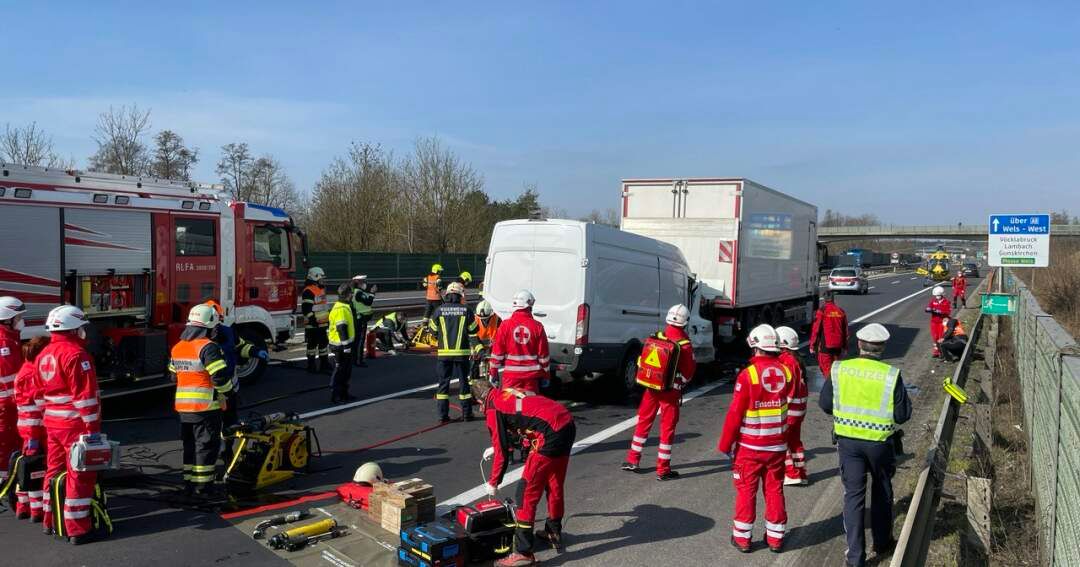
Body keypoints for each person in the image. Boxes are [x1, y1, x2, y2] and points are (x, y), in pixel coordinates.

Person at [819, 323, 912, 567]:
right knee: (882, 492)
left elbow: (826, 404)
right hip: (880, 445)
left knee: (853, 497)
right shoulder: (891, 375)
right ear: (881, 347)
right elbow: (903, 415)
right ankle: (882, 542)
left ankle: (855, 558)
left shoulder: (839, 369)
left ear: (859, 344)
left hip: (848, 444)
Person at [474, 379, 576, 567]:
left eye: (479, 406)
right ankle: (553, 531)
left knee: (525, 493)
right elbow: (526, 417)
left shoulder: (492, 408)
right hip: (566, 423)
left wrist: (494, 481)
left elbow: (502, 452)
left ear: (481, 402)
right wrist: (500, 446)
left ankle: (523, 553)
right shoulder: (508, 392)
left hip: (549, 435)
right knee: (554, 482)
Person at [718, 324, 793, 554]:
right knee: (774, 490)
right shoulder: (786, 372)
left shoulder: (748, 375)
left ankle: (742, 539)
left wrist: (725, 444)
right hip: (777, 446)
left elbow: (735, 414)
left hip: (750, 448)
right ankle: (776, 538)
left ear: (755, 347)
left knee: (746, 491)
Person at [37, 305, 102, 543]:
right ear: (74, 329)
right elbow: (85, 398)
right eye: (82, 327)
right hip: (74, 425)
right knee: (80, 475)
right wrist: (93, 430)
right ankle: (77, 528)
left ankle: (49, 519)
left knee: (53, 471)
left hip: (52, 423)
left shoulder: (44, 353)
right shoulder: (76, 355)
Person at [621, 304, 696, 481]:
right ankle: (663, 469)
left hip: (651, 387)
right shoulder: (684, 345)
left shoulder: (657, 337)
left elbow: (643, 361)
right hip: (670, 393)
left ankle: (633, 459)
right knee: (667, 429)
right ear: (685, 322)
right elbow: (688, 373)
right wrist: (679, 385)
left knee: (643, 421)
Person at [170, 304, 233, 498]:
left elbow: (174, 376)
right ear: (208, 326)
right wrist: (227, 393)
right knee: (206, 447)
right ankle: (204, 488)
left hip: (183, 408)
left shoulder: (178, 347)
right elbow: (220, 377)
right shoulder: (208, 347)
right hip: (205, 407)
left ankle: (189, 483)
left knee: (190, 447)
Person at [428, 282, 478, 422]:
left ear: (447, 295)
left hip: (444, 354)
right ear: (460, 295)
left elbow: (432, 330)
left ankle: (442, 416)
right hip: (462, 354)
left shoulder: (438, 310)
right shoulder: (466, 310)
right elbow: (473, 331)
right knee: (464, 384)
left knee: (443, 385)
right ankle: (467, 414)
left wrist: (442, 338)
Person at [13, 336, 48, 522]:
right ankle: (36, 511)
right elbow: (41, 403)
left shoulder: (23, 370)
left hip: (26, 426)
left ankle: (23, 506)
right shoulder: (33, 373)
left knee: (26, 467)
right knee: (36, 470)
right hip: (35, 427)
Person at [488, 290, 549, 393]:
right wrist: (546, 375)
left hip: (511, 377)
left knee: (510, 405)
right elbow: (543, 356)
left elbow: (497, 353)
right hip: (531, 378)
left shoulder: (505, 325)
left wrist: (493, 372)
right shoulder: (537, 326)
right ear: (529, 305)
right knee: (529, 406)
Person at [776, 326, 809, 486]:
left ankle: (791, 473)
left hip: (790, 410)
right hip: (799, 409)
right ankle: (800, 472)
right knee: (795, 441)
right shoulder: (796, 360)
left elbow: (788, 388)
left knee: (782, 442)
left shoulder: (785, 361)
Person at [0, 296, 26, 494]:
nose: (21, 321)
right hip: (6, 405)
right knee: (5, 441)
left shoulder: (10, 340)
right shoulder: (4, 345)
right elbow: (10, 380)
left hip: (10, 404)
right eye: (18, 317)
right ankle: (5, 480)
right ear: (7, 319)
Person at [327, 283, 357, 403]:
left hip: (342, 345)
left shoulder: (343, 306)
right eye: (351, 294)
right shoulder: (341, 309)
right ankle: (336, 395)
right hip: (340, 346)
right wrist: (346, 346)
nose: (352, 296)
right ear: (348, 295)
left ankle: (344, 393)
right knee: (340, 371)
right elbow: (341, 328)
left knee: (346, 371)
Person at [809, 291, 848, 380]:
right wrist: (845, 347)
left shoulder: (822, 311)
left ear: (824, 300)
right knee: (836, 371)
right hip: (838, 347)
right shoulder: (841, 311)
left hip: (825, 347)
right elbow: (845, 331)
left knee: (826, 371)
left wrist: (812, 346)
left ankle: (829, 390)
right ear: (833, 299)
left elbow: (816, 330)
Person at [301, 267, 330, 373]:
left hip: (321, 324)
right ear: (315, 277)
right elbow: (306, 309)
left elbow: (322, 307)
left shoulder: (321, 289)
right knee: (312, 345)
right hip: (312, 324)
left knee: (323, 344)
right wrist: (313, 321)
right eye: (321, 277)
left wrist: (327, 320)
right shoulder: (308, 291)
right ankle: (311, 365)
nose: (323, 280)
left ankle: (324, 363)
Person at [470, 300, 501, 382]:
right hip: (477, 342)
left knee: (494, 365)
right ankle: (474, 382)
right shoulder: (474, 319)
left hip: (492, 343)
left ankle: (494, 382)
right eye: (482, 319)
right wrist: (479, 350)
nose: (484, 320)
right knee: (474, 362)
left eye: (486, 318)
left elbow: (501, 336)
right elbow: (472, 336)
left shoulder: (497, 319)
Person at [350, 275, 376, 367]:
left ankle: (354, 359)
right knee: (360, 340)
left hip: (360, 319)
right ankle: (358, 360)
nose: (364, 283)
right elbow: (368, 302)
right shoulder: (358, 293)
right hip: (360, 320)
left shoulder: (359, 292)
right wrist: (372, 293)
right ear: (358, 283)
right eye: (362, 282)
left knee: (357, 340)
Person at [925, 286, 952, 358]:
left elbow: (948, 312)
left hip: (942, 322)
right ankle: (936, 351)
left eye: (938, 295)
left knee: (941, 337)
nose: (937, 297)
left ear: (942, 295)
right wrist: (928, 309)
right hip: (934, 322)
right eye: (936, 295)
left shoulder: (946, 302)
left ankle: (942, 352)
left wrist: (940, 312)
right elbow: (928, 307)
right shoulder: (933, 301)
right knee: (935, 337)